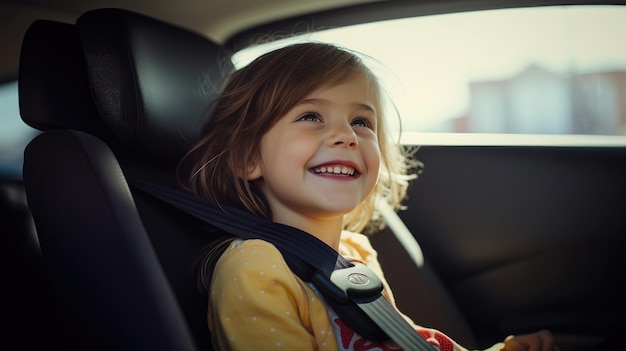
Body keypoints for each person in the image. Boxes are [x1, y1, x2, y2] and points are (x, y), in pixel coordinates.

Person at [178, 42, 559, 351]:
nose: (347, 135)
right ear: (248, 158)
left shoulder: (356, 256)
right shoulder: (253, 267)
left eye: (362, 121)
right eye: (311, 116)